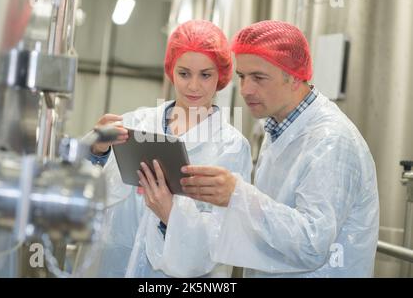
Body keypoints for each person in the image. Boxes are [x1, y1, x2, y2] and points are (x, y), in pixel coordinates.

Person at [143, 20, 380, 277]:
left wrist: (239, 196)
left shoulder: (331, 141)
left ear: (293, 77)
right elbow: (263, 230)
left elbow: (312, 245)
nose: (245, 90)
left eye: (258, 78)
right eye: (242, 77)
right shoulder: (278, 130)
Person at [84, 20, 252, 277]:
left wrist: (171, 216)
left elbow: (224, 236)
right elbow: (83, 197)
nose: (193, 86)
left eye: (205, 75)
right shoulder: (133, 124)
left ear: (221, 77)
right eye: (184, 73)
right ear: (171, 70)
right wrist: (96, 151)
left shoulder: (232, 147)